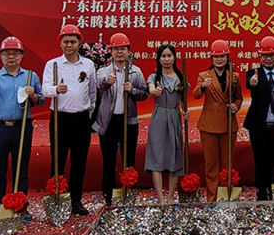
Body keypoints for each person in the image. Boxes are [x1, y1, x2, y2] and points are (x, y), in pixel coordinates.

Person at [0, 36, 44, 226]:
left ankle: (21, 207)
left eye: (15, 53)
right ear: (1, 56)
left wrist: (33, 95)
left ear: (21, 56)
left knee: (21, 170)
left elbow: (41, 99)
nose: (11, 57)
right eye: (7, 53)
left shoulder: (30, 76)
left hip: (22, 127)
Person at [42, 24, 97, 216]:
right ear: (60, 43)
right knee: (58, 160)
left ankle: (76, 201)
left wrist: (89, 112)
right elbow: (44, 89)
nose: (69, 45)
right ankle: (57, 198)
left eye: (73, 41)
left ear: (79, 43)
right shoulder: (53, 65)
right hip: (60, 118)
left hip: (81, 119)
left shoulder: (88, 65)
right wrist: (55, 90)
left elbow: (92, 92)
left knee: (79, 162)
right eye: (66, 41)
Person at [93, 32, 147, 206]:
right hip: (108, 123)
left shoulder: (135, 71)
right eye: (116, 49)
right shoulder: (103, 71)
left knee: (129, 161)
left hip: (128, 122)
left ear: (128, 51)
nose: (119, 52)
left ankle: (129, 195)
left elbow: (144, 94)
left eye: (123, 49)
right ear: (111, 52)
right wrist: (107, 81)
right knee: (108, 161)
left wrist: (132, 90)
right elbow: (98, 84)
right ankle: (108, 197)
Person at [243, 36, 274, 201]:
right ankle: (261, 193)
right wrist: (252, 82)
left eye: (272, 55)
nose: (268, 58)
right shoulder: (253, 73)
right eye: (265, 55)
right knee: (260, 160)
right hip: (259, 126)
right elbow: (249, 83)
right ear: (260, 56)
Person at [192, 39, 243, 202]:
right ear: (211, 58)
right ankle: (212, 197)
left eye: (222, 56)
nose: (219, 59)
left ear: (227, 57)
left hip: (228, 124)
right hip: (209, 125)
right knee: (211, 164)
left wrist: (235, 106)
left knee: (227, 163)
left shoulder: (234, 76)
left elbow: (239, 98)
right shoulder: (204, 76)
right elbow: (195, 95)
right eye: (216, 57)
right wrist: (203, 86)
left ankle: (226, 195)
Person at [145, 44, 189, 206]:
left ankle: (171, 197)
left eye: (169, 55)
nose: (166, 59)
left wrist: (185, 112)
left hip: (174, 116)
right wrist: (154, 91)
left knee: (175, 155)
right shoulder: (154, 77)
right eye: (163, 56)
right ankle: (161, 199)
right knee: (156, 155)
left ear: (174, 57)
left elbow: (184, 100)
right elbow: (151, 89)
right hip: (159, 116)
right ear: (158, 59)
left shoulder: (180, 77)